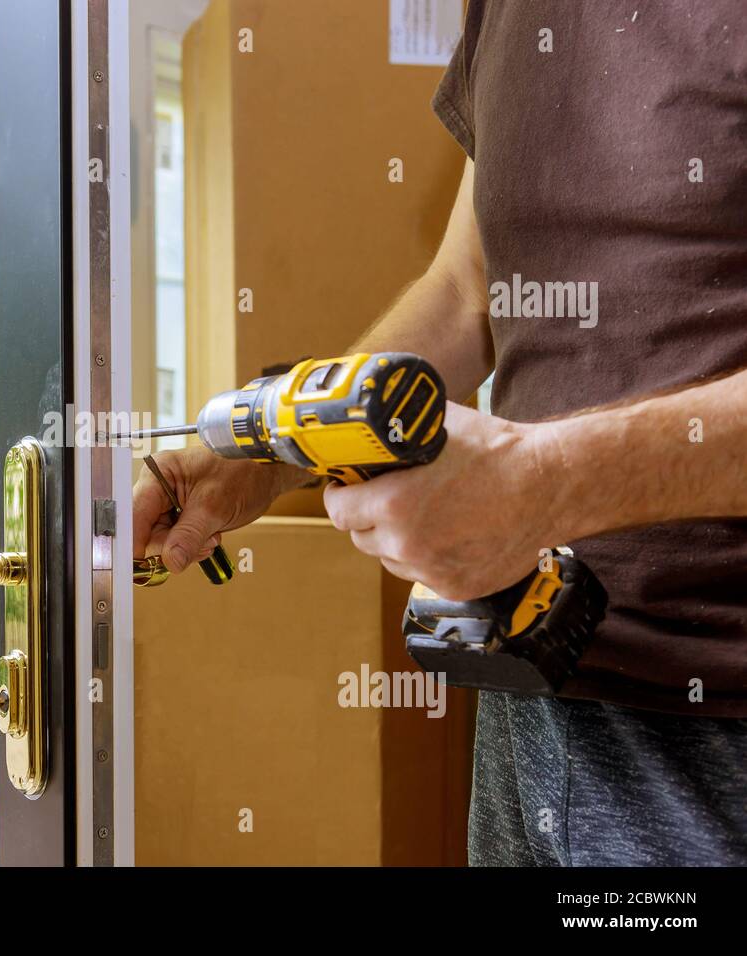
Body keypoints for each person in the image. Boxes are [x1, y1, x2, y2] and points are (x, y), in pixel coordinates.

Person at [132, 0, 747, 865]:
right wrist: (276, 445)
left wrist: (548, 483)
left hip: (720, 721)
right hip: (532, 662)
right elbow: (466, 290)